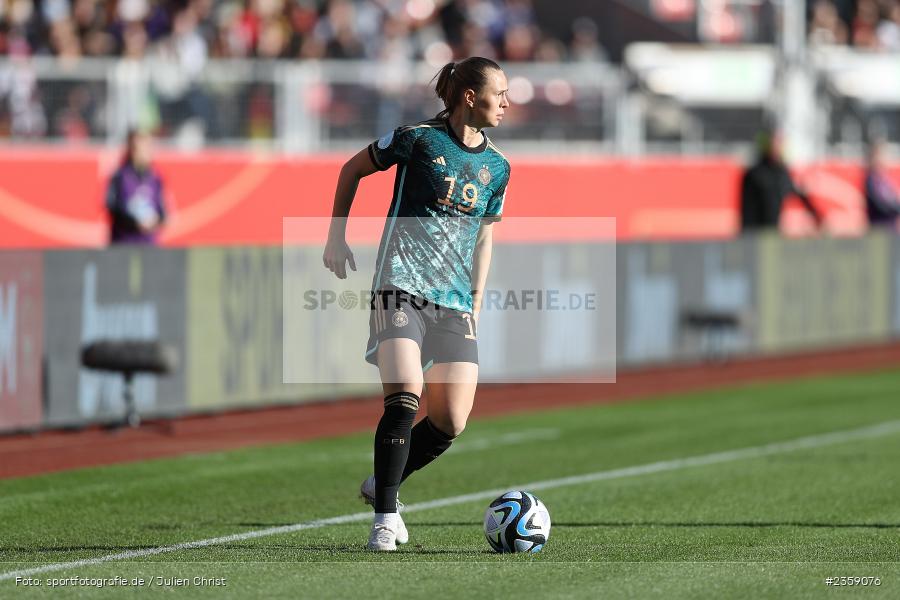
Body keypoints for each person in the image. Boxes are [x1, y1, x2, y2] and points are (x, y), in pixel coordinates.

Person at [323, 57, 510, 551]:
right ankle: (386, 516)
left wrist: (475, 296)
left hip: (452, 301)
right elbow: (352, 169)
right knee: (405, 392)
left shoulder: (498, 166)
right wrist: (336, 235)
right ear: (471, 97)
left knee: (451, 420)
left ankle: (383, 479)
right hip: (399, 285)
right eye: (500, 93)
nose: (507, 103)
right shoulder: (417, 138)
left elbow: (484, 236)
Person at [740, 129, 822, 233]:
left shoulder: (781, 173)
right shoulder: (754, 174)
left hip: (773, 233)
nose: (777, 147)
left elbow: (797, 193)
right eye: (774, 143)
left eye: (779, 143)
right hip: (755, 234)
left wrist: (816, 215)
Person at [106, 129, 167, 244]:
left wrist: (155, 221)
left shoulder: (156, 178)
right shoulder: (119, 176)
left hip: (148, 245)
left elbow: (163, 211)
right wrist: (134, 223)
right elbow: (112, 207)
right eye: (141, 148)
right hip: (124, 244)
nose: (146, 152)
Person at [864, 138, 900, 228]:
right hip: (880, 229)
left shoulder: (884, 180)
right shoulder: (872, 180)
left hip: (891, 228)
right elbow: (882, 205)